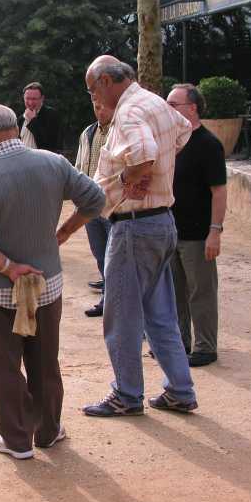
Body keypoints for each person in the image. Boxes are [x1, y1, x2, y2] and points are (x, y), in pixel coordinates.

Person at [0, 103, 105, 459]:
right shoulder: (52, 163)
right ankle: (48, 430)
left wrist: (9, 267)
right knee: (44, 361)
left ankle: (16, 439)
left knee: (4, 365)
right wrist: (64, 232)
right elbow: (96, 199)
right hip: (46, 285)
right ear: (15, 126)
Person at [82, 56, 198, 417]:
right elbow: (184, 130)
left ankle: (127, 393)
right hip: (161, 221)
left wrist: (128, 178)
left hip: (134, 226)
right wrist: (156, 170)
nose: (94, 98)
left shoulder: (130, 111)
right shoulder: (154, 102)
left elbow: (144, 155)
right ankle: (180, 389)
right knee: (159, 315)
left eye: (92, 90)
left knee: (121, 316)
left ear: (105, 81)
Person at [166, 84, 227, 367]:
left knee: (200, 292)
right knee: (175, 292)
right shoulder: (171, 142)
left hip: (197, 234)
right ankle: (181, 342)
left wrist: (215, 231)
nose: (167, 109)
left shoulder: (208, 145)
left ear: (192, 108)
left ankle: (205, 346)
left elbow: (219, 191)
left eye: (173, 104)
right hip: (171, 231)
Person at [74, 99, 114, 317]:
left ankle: (115, 303)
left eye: (104, 106)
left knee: (115, 258)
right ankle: (108, 299)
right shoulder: (88, 133)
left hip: (113, 206)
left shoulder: (120, 132)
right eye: (96, 106)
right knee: (100, 255)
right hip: (91, 205)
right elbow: (80, 166)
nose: (100, 111)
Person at [17, 82, 60, 152]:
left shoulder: (51, 115)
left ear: (42, 98)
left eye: (34, 99)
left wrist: (32, 120)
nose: (30, 102)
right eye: (27, 98)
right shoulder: (21, 119)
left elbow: (49, 145)